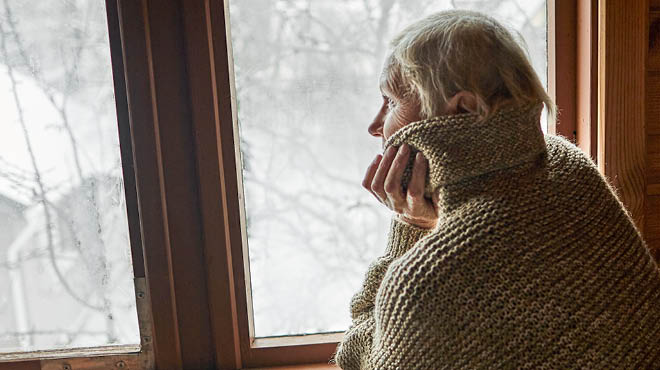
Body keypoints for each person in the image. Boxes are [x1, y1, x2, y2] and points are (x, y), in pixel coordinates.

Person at [331, 10, 660, 369]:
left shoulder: (428, 282)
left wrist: (407, 229)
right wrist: (434, 222)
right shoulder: (570, 167)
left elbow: (357, 357)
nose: (375, 126)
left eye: (391, 102)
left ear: (462, 112)